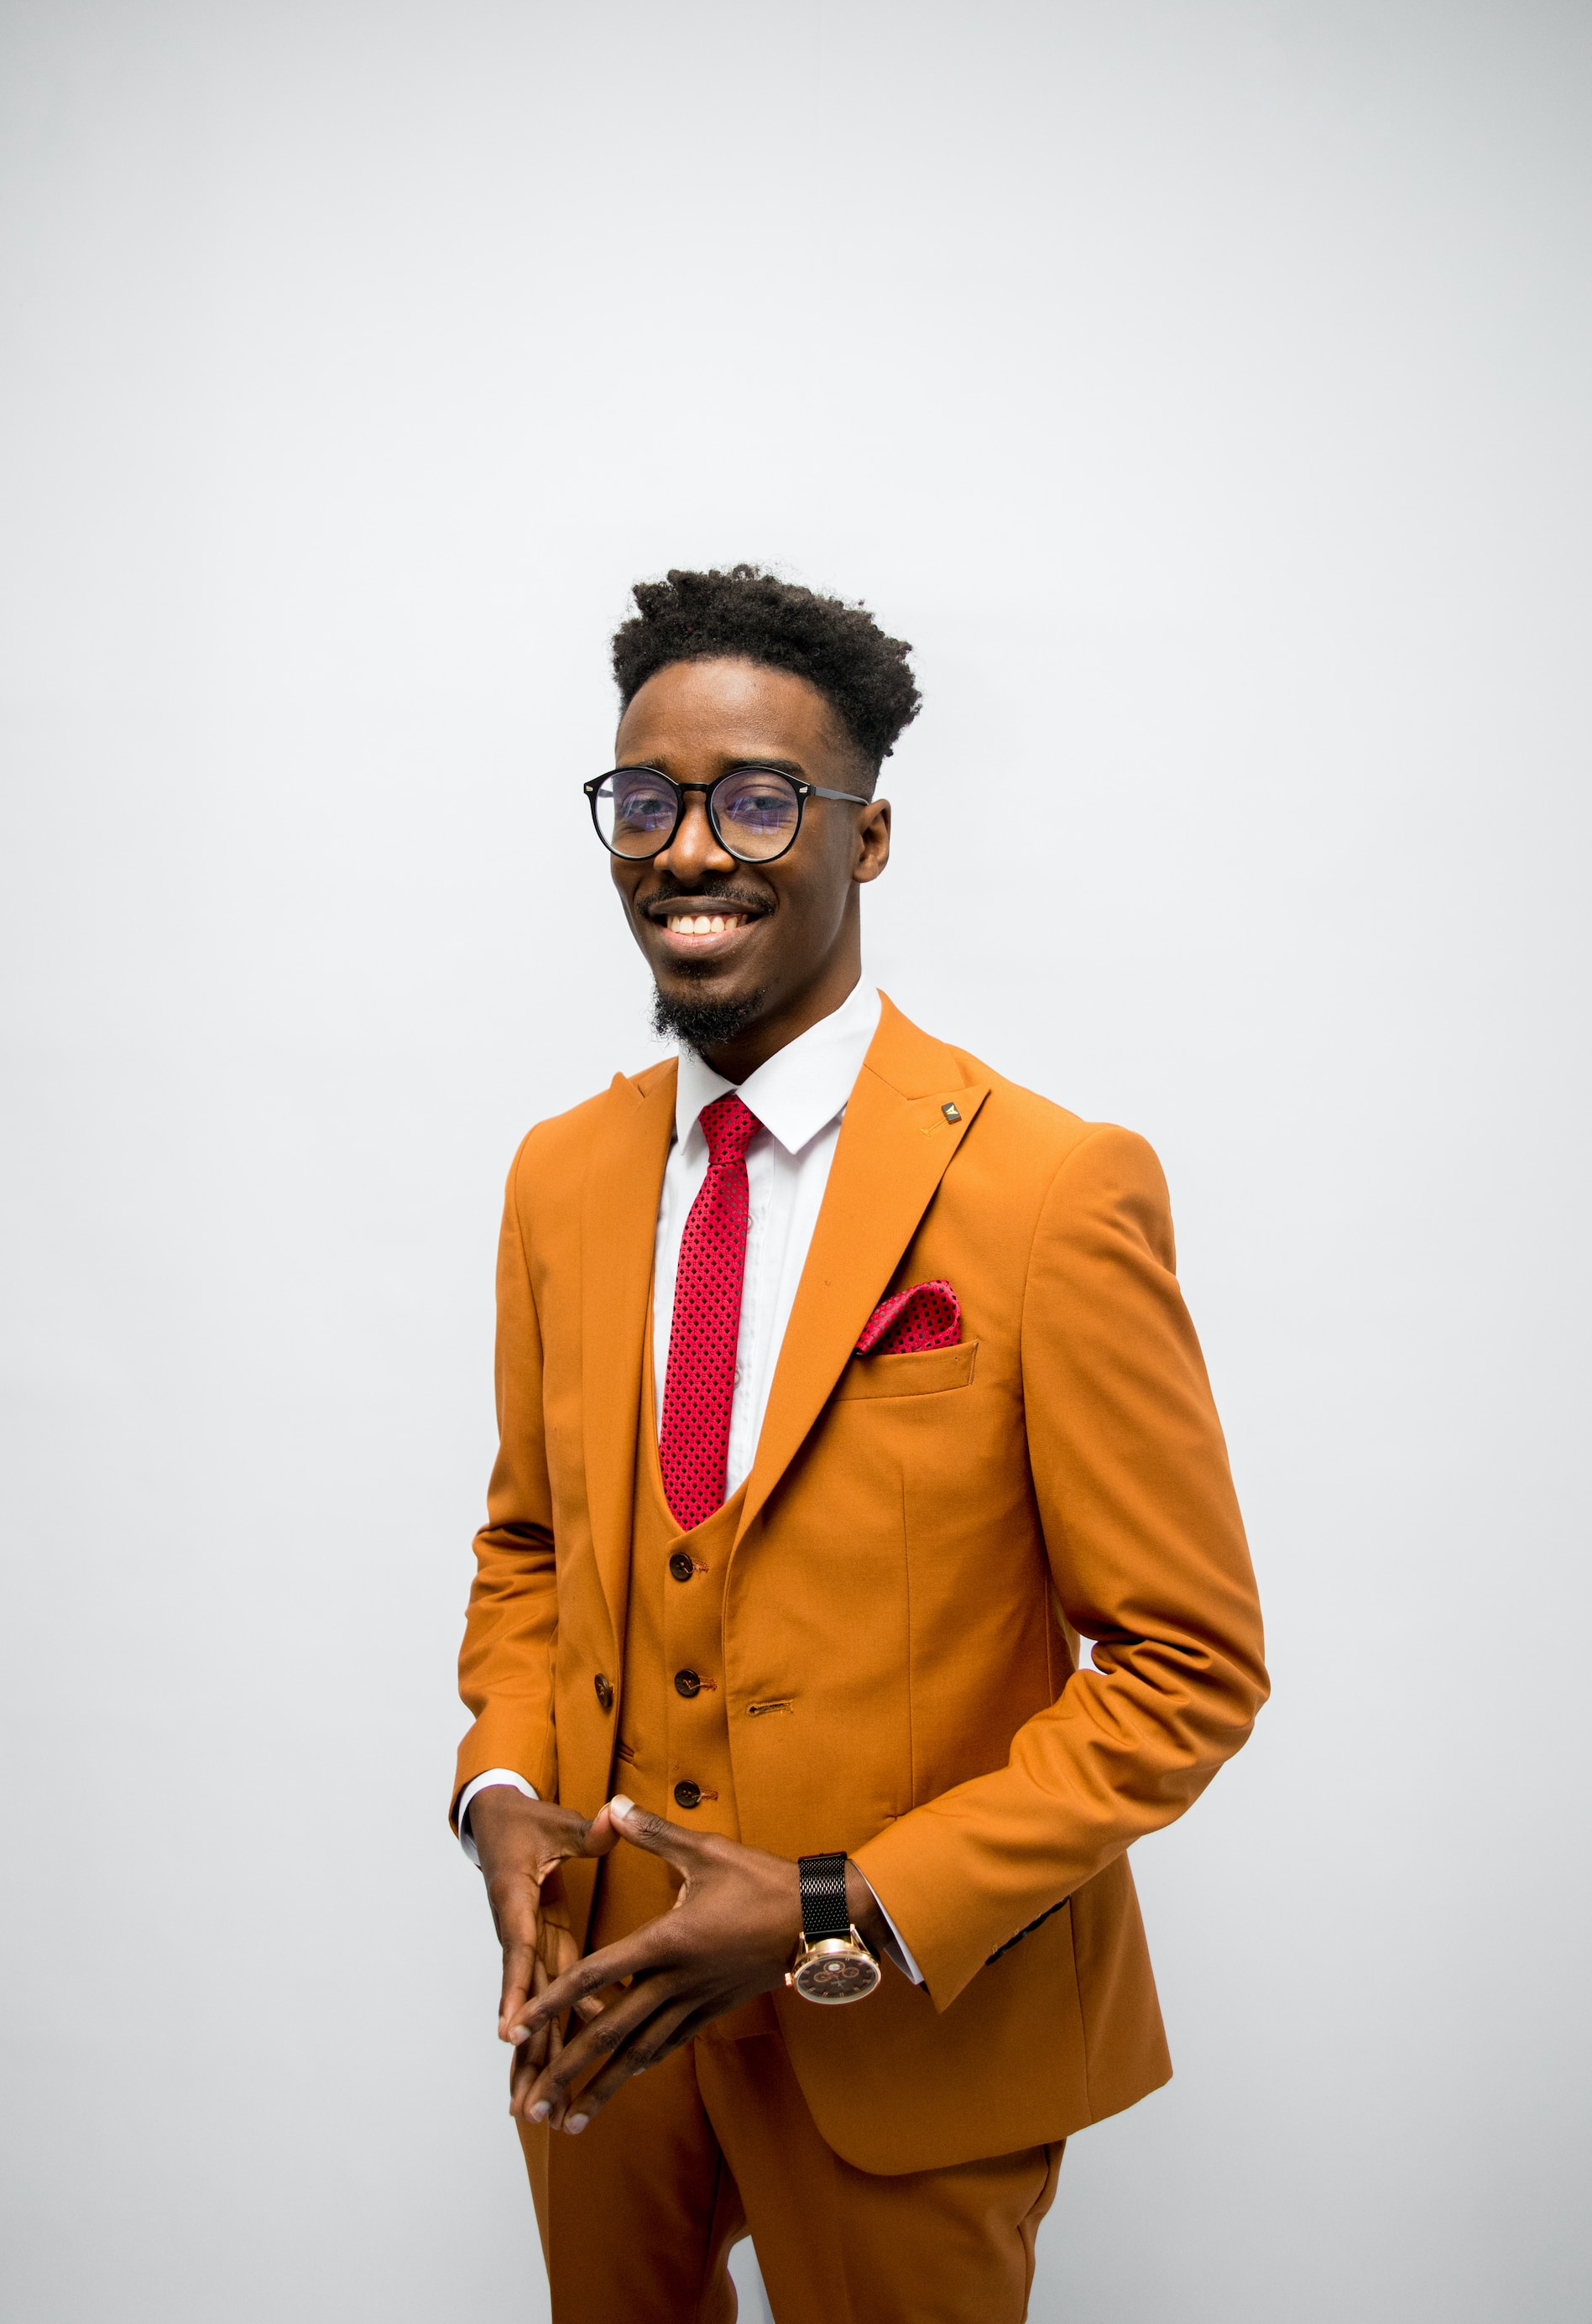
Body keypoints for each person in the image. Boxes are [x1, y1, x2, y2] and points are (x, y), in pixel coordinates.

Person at [452, 566, 1267, 2324]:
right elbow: (530, 1547)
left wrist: (839, 1904)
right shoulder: (556, 1177)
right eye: (645, 799)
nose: (688, 851)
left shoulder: (1050, 1190)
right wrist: (504, 1794)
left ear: (867, 834)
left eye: (758, 799)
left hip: (903, 2040)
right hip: (605, 2029)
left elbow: (1189, 1668)